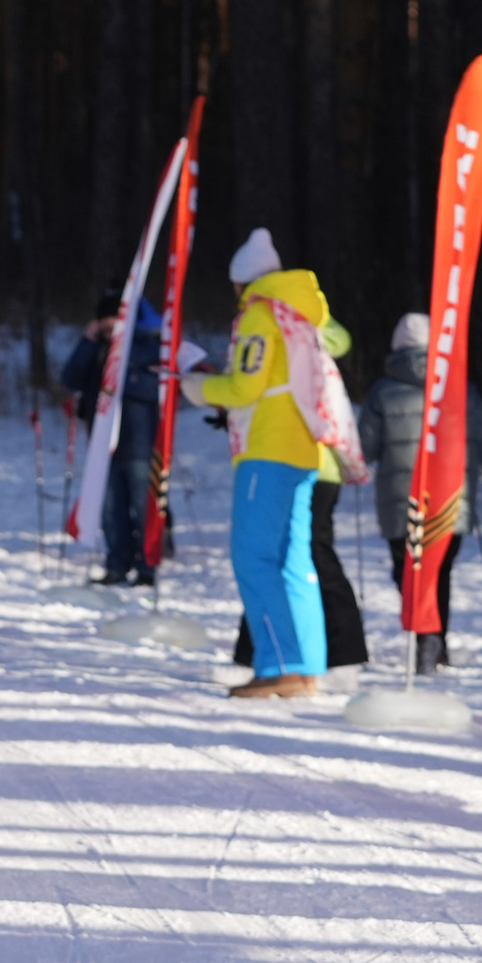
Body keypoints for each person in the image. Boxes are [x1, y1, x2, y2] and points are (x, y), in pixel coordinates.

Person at [184, 228, 340, 698]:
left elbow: (245, 388)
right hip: (304, 448)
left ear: (241, 283)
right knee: (294, 559)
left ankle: (279, 665)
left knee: (253, 556)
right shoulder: (302, 309)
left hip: (266, 448)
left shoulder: (259, 313)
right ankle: (306, 666)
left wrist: (196, 388)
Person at [357, 311, 482, 673]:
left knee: (408, 572)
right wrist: (468, 470)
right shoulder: (460, 388)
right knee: (441, 571)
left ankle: (425, 639)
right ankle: (435, 643)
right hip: (452, 498)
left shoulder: (382, 391)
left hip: (401, 503)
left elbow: (366, 448)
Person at [230, 315, 369, 675]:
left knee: (293, 556)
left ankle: (337, 655)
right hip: (314, 464)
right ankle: (276, 655)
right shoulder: (308, 341)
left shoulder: (292, 341)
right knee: (288, 555)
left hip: (303, 462)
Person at [60, 288, 166, 585]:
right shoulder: (96, 350)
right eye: (102, 324)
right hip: (103, 446)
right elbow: (70, 378)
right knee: (110, 510)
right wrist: (88, 341)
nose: (107, 329)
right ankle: (117, 563)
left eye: (112, 322)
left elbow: (153, 384)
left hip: (139, 443)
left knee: (143, 506)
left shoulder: (145, 345)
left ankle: (146, 567)